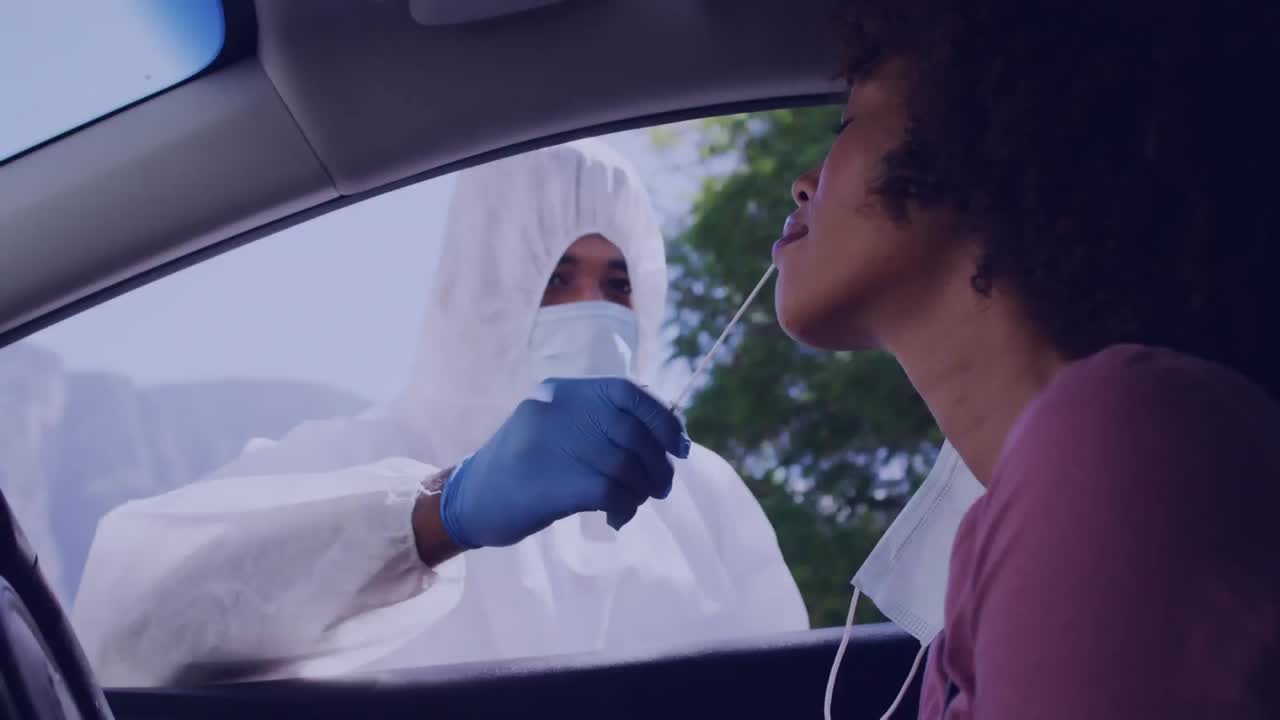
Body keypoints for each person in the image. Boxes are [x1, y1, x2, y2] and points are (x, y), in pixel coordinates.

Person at [71, 140, 808, 687]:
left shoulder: (698, 495)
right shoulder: (349, 460)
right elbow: (126, 632)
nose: (593, 310)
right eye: (554, 276)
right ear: (482, 281)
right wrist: (433, 517)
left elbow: (791, 688)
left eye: (617, 283)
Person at [780, 1, 1280, 717]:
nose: (803, 181)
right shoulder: (1031, 508)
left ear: (986, 142)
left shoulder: (1123, 444)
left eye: (847, 124)